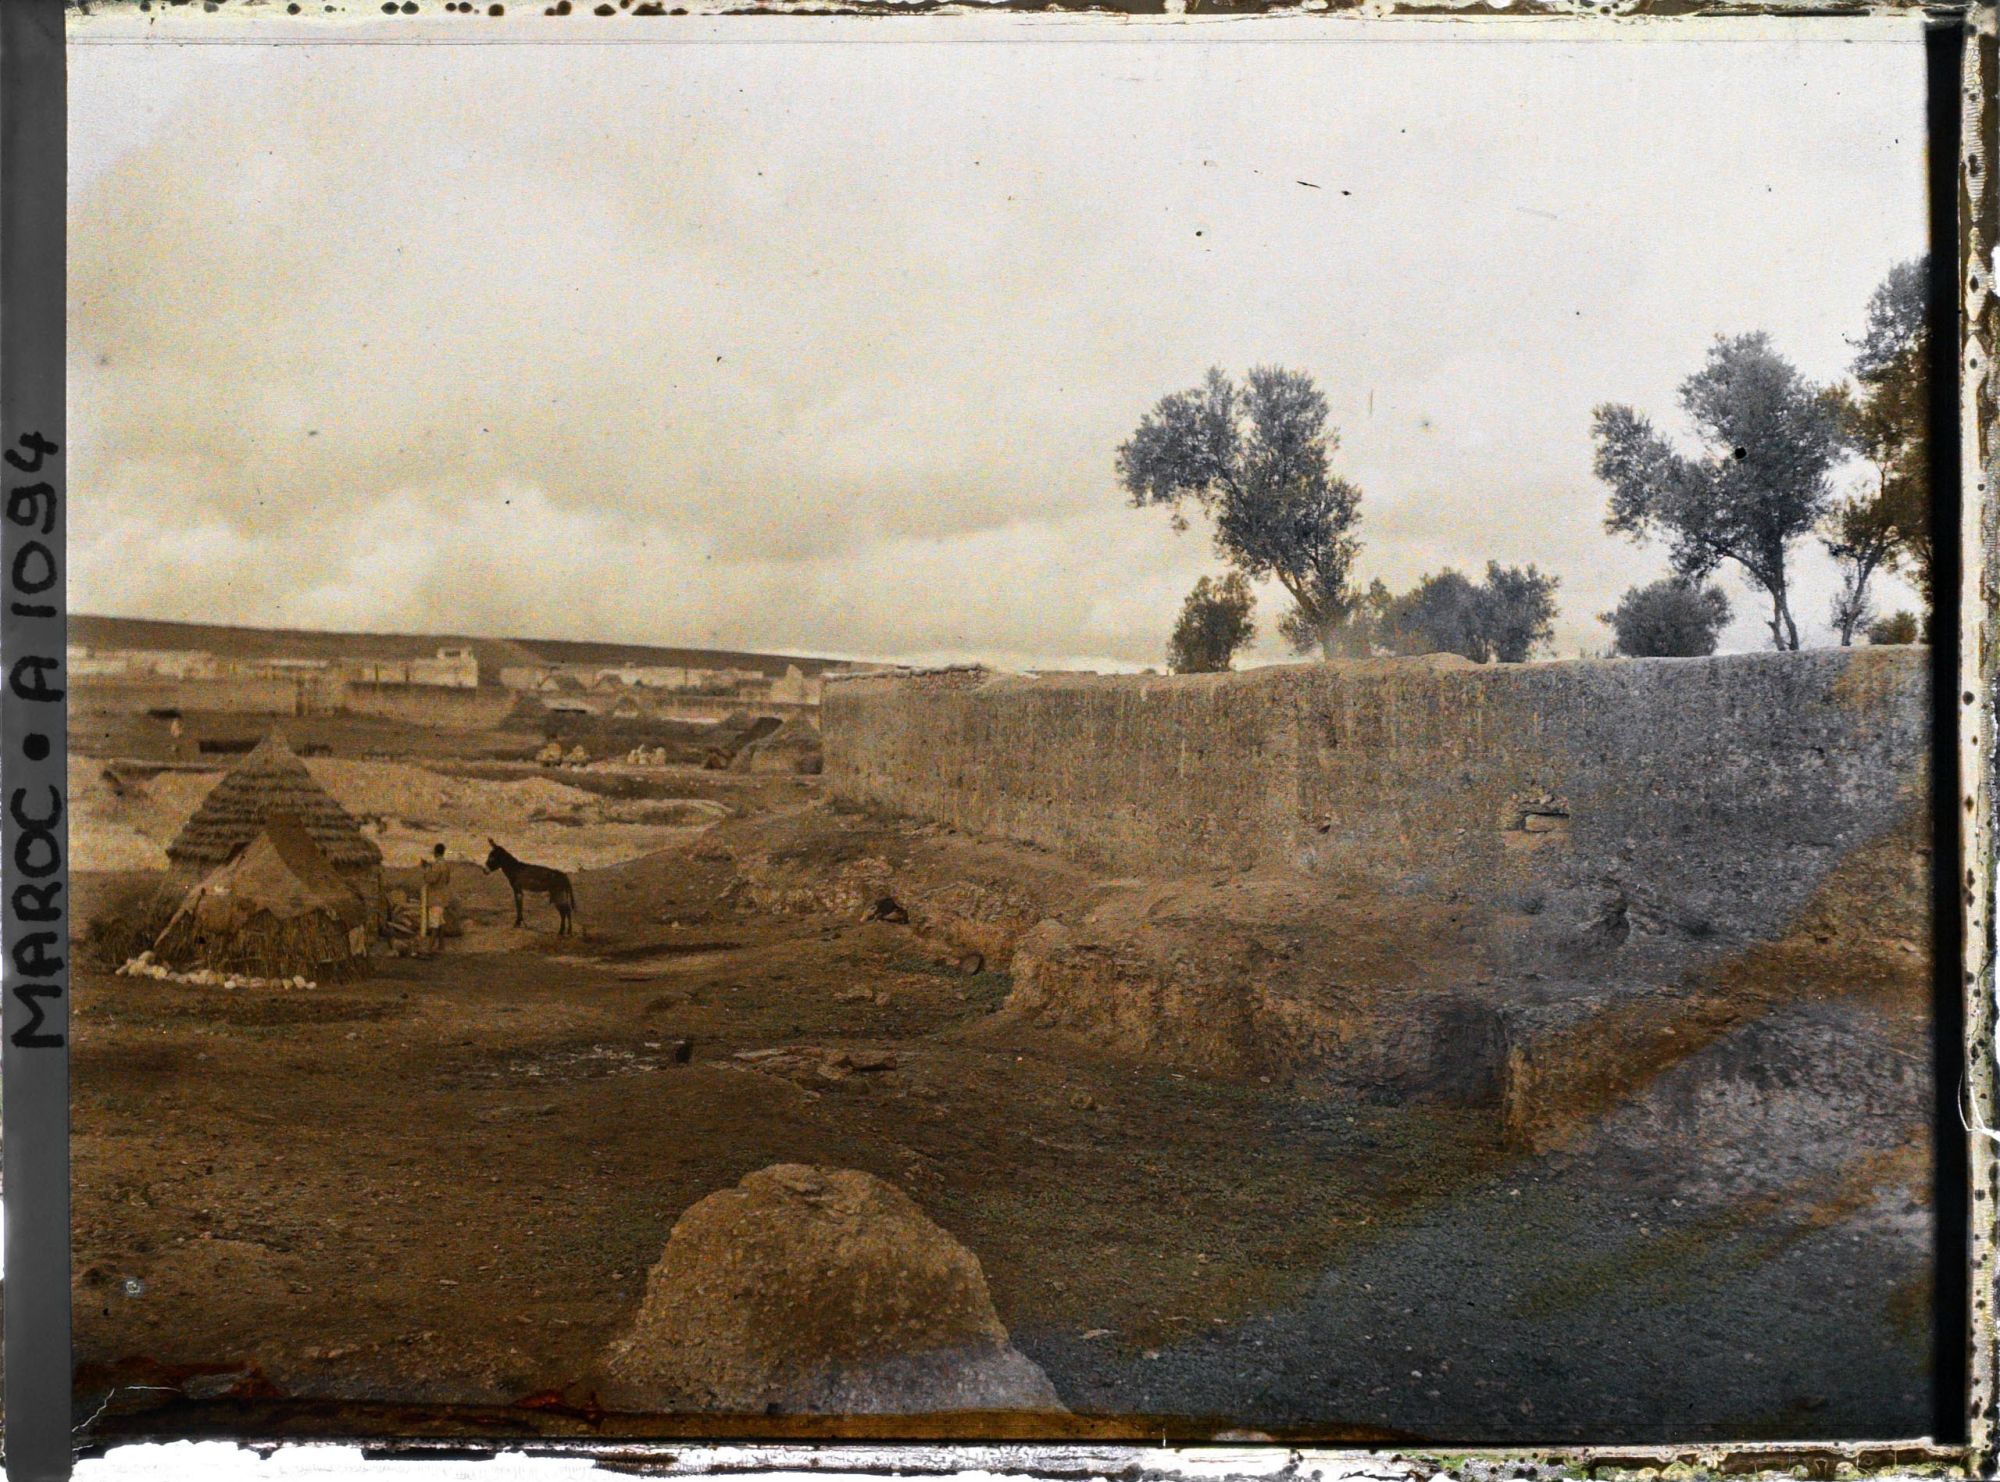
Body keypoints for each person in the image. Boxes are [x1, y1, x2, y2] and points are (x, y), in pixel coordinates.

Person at [418, 843, 454, 951]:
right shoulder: (445, 865)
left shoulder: (437, 865)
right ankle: (441, 945)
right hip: (442, 897)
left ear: (435, 852)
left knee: (434, 924)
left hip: (435, 898)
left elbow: (431, 879)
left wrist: (426, 869)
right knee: (440, 922)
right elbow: (447, 880)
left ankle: (429, 948)